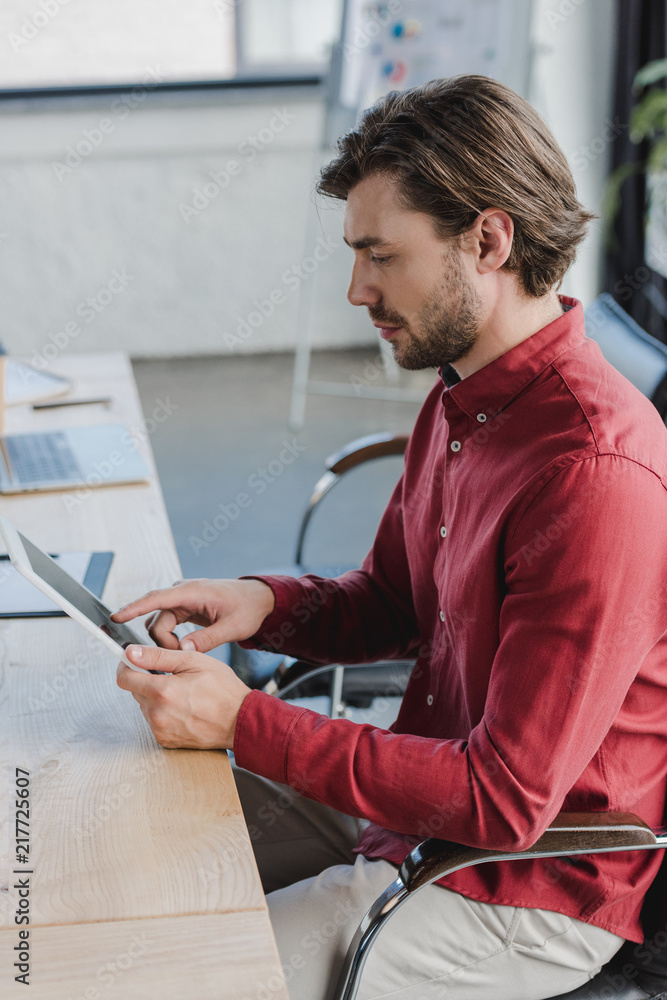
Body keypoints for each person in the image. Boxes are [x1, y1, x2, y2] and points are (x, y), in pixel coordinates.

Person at [112, 75, 667, 1000]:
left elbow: (505, 800)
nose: (356, 288)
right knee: (146, 847)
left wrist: (248, 722)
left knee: (180, 971)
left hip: (525, 885)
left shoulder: (593, 473)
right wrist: (261, 605)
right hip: (419, 810)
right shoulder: (464, 396)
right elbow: (395, 602)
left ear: (487, 241)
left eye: (380, 254)